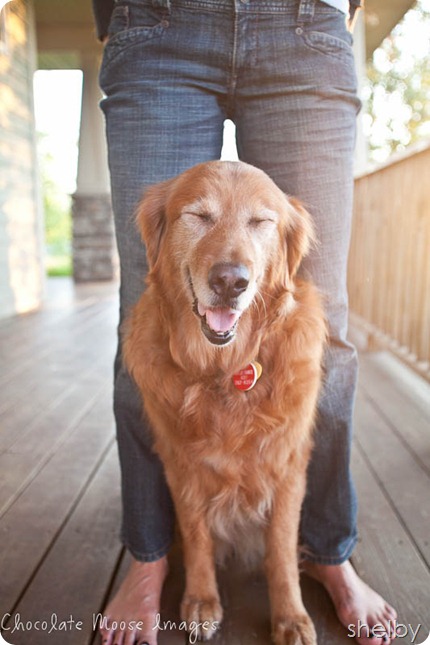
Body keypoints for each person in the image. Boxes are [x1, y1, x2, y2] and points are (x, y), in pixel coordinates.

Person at [92, 1, 397, 644]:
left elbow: (292, 278)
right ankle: (153, 559)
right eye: (198, 218)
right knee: (138, 317)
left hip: (307, 21)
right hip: (157, 21)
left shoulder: (285, 251)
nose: (227, 262)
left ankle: (326, 552)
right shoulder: (159, 226)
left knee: (330, 327)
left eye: (259, 224)